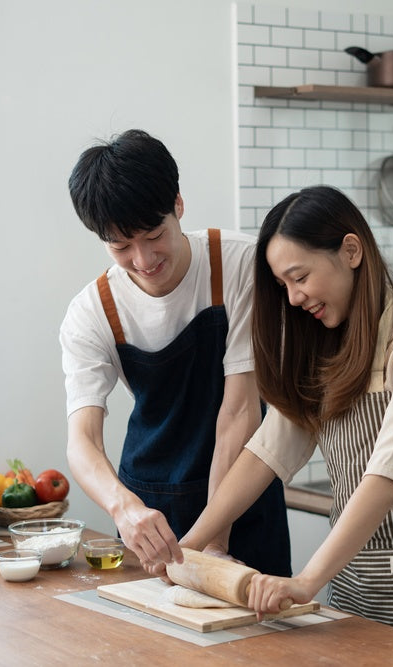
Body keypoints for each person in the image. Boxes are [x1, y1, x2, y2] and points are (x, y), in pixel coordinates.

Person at [174, 185, 393, 656]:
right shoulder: (323, 348)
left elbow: (388, 476)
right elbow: (266, 453)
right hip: (350, 579)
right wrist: (191, 542)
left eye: (299, 276)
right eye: (283, 285)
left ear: (350, 250)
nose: (292, 297)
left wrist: (306, 580)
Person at [59, 129, 291, 576]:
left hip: (243, 501)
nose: (143, 260)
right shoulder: (92, 311)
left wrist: (214, 540)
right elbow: (81, 441)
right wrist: (124, 508)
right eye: (121, 246)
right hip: (151, 511)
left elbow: (240, 411)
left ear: (178, 205)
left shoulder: (240, 265)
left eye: (153, 235)